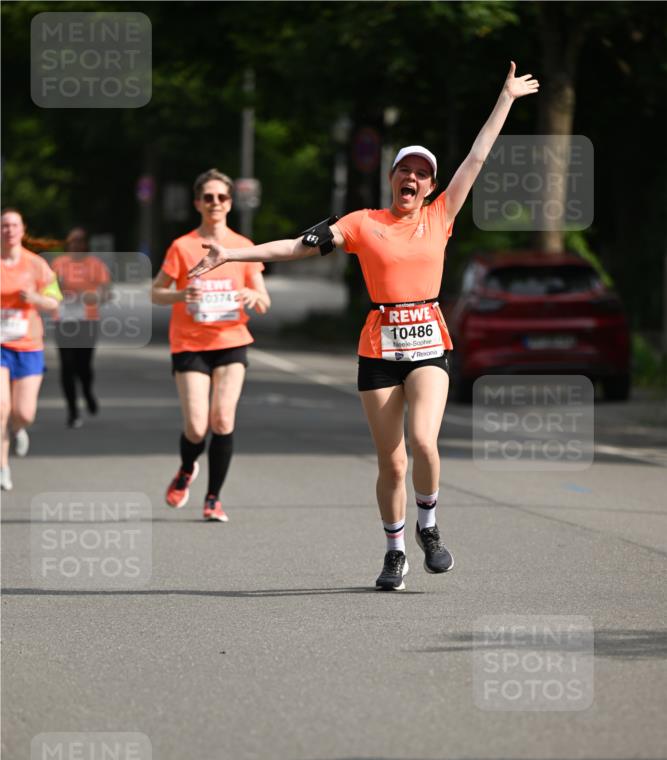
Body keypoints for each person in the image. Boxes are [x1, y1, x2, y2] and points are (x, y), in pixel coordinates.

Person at [188, 62, 539, 585]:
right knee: (391, 462)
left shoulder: (440, 216)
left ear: (430, 185)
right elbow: (294, 246)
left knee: (424, 440)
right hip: (379, 345)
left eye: (422, 173)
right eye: (405, 171)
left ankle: (430, 525)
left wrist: (506, 98)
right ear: (391, 178)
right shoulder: (361, 223)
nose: (412, 179)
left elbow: (479, 156)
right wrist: (233, 257)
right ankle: (395, 550)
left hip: (428, 341)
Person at [152, 168, 271, 521]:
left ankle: (213, 499)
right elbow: (155, 293)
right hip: (189, 343)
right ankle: (187, 468)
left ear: (230, 203)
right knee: (196, 426)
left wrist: (252, 293)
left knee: (222, 419)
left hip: (232, 341)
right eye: (208, 197)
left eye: (221, 197)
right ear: (197, 203)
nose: (215, 202)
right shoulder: (182, 246)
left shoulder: (244, 247)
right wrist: (178, 294)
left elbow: (264, 301)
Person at [1, 208, 62, 490]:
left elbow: (54, 302)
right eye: (4, 226)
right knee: (1, 407)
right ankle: (3, 467)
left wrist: (36, 297)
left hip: (28, 346)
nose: (9, 230)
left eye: (14, 225)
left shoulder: (35, 264)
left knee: (24, 412)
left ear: (22, 230)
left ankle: (19, 427)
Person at [52, 228, 111, 428]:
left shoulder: (95, 265)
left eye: (79, 241)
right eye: (72, 241)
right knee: (67, 366)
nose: (75, 244)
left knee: (83, 366)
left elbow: (106, 293)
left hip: (87, 321)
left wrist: (91, 296)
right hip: (64, 320)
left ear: (85, 244)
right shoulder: (59, 264)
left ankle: (87, 391)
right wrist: (58, 290)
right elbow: (49, 290)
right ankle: (72, 410)